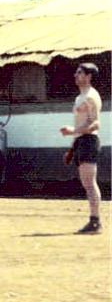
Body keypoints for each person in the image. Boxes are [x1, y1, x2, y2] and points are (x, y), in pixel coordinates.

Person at [60, 62, 103, 234]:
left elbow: (95, 124)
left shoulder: (91, 96)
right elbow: (80, 123)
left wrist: (72, 132)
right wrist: (72, 149)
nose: (75, 75)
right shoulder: (80, 97)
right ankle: (94, 220)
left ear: (88, 76)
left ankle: (95, 222)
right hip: (81, 141)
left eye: (79, 73)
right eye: (76, 72)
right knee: (86, 183)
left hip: (89, 141)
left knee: (90, 183)